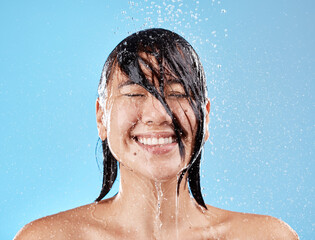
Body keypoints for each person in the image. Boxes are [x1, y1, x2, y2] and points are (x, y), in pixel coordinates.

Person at [14, 28, 298, 240]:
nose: (159, 113)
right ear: (102, 116)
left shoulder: (266, 236)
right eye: (135, 93)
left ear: (206, 117)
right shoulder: (49, 237)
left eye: (177, 94)